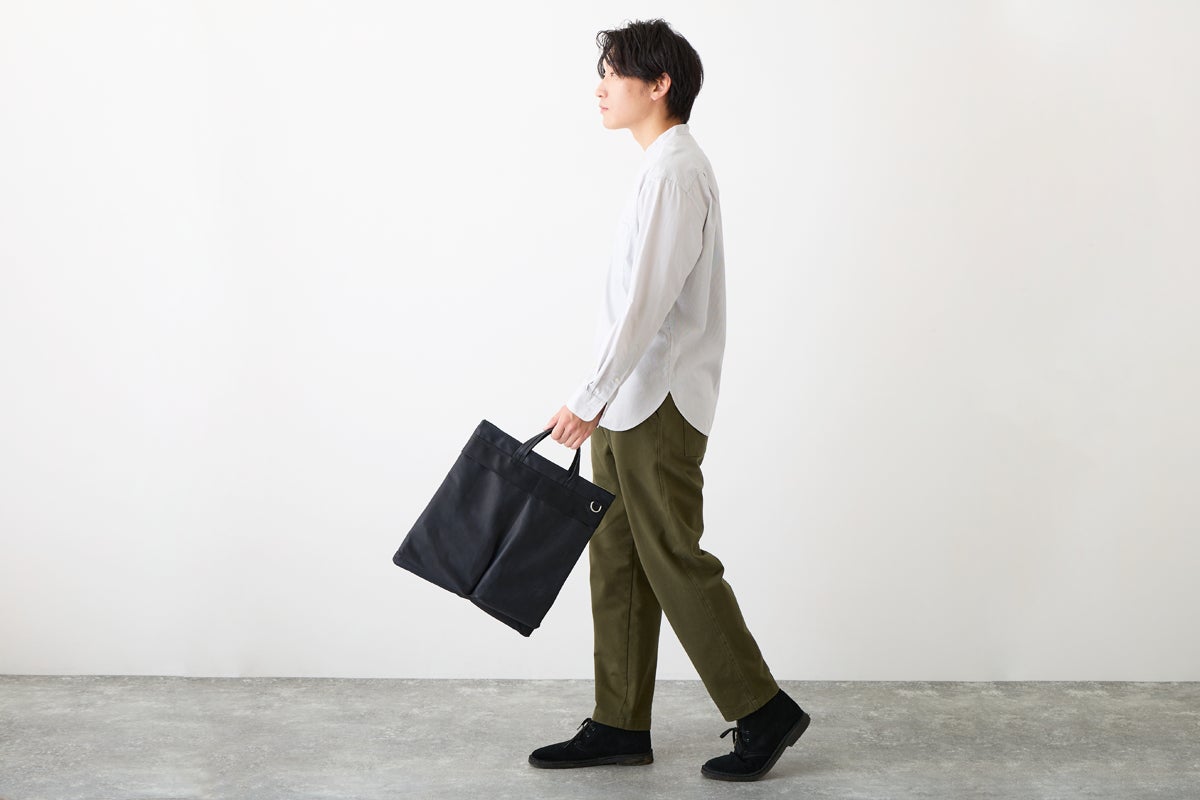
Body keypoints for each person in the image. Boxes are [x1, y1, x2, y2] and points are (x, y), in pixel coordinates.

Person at [530, 19, 810, 782]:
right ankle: (618, 723)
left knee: (673, 557)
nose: (600, 87)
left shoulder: (677, 173)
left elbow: (646, 304)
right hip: (629, 401)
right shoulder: (659, 170)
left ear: (660, 85)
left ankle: (764, 710)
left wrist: (588, 395)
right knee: (617, 561)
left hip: (655, 403)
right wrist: (599, 397)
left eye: (614, 73)